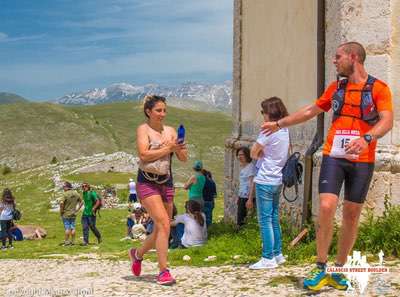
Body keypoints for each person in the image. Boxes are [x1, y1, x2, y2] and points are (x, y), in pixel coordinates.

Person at [261, 42, 393, 291]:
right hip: (334, 156)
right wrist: (280, 124)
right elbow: (311, 110)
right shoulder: (335, 88)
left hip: (363, 160)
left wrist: (367, 139)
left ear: (353, 57)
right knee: (326, 206)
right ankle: (321, 266)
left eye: (338, 57)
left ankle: (339, 269)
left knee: (352, 216)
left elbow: (387, 121)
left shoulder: (379, 88)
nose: (334, 61)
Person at [129, 95, 187, 286]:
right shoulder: (143, 130)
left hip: (166, 182)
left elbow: (183, 158)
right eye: (158, 110)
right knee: (162, 223)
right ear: (148, 111)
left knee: (164, 227)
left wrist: (178, 148)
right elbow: (144, 155)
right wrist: (167, 148)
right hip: (147, 182)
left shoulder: (170, 131)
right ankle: (163, 271)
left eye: (164, 110)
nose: (163, 114)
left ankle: (137, 254)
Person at [249, 97, 289, 270]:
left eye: (263, 112)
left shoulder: (267, 131)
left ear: (269, 113)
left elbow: (252, 152)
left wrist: (262, 154)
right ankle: (278, 253)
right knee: (273, 217)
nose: (262, 115)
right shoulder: (285, 129)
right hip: (278, 178)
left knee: (264, 220)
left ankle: (267, 258)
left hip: (265, 178)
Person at [236, 147, 256, 226]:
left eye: (242, 155)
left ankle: (241, 235)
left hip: (247, 197)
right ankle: (239, 234)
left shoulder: (250, 167)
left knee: (242, 219)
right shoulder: (243, 167)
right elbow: (242, 183)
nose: (239, 157)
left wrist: (250, 199)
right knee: (240, 217)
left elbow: (252, 183)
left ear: (247, 155)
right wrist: (238, 196)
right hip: (242, 196)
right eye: (238, 155)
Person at [59, 181, 81, 246]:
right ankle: (73, 241)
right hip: (73, 213)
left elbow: (61, 203)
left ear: (67, 187)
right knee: (73, 227)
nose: (63, 188)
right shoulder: (76, 193)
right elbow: (82, 202)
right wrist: (77, 209)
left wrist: (61, 211)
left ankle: (66, 242)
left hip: (66, 213)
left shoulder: (65, 194)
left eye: (64, 187)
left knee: (67, 228)